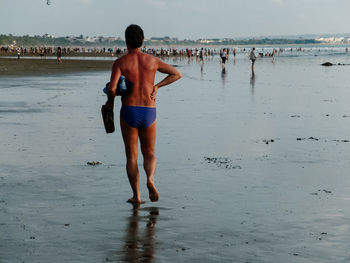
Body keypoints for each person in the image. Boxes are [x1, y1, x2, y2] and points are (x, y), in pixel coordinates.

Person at [105, 24, 182, 204]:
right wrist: (157, 86)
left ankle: (137, 196)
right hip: (149, 110)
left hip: (129, 110)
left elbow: (113, 88)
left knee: (131, 157)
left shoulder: (120, 63)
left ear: (126, 41)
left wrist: (110, 102)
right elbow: (176, 74)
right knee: (149, 153)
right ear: (142, 40)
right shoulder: (152, 61)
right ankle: (151, 179)